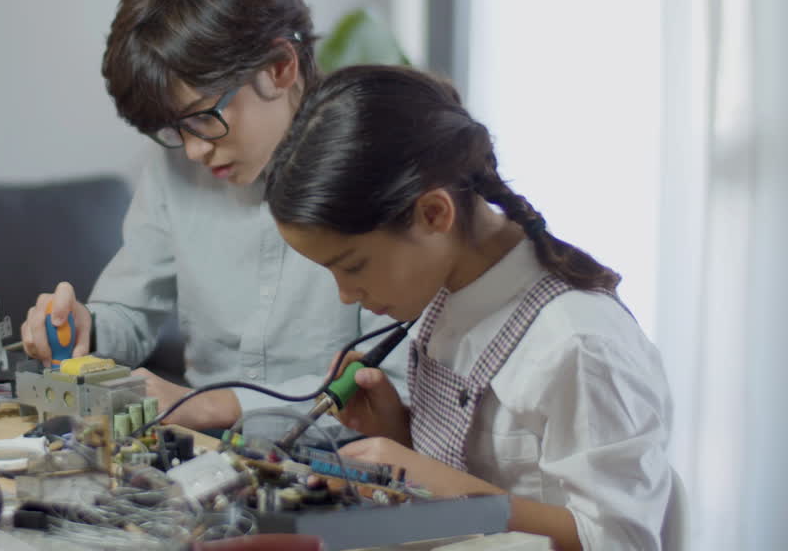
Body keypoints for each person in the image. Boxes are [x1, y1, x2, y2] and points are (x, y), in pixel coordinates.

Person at [18, 0, 408, 430]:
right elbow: (131, 312)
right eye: (175, 128)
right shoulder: (174, 168)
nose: (196, 149)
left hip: (340, 459)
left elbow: (391, 385)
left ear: (280, 67)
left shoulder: (376, 166)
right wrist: (86, 329)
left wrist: (215, 406)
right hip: (205, 458)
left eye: (205, 115)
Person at [263, 65, 674, 550]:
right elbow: (467, 467)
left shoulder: (580, 347)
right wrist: (398, 435)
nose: (346, 295)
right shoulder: (445, 294)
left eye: (352, 266)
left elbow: (621, 541)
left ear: (434, 214)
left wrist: (441, 488)